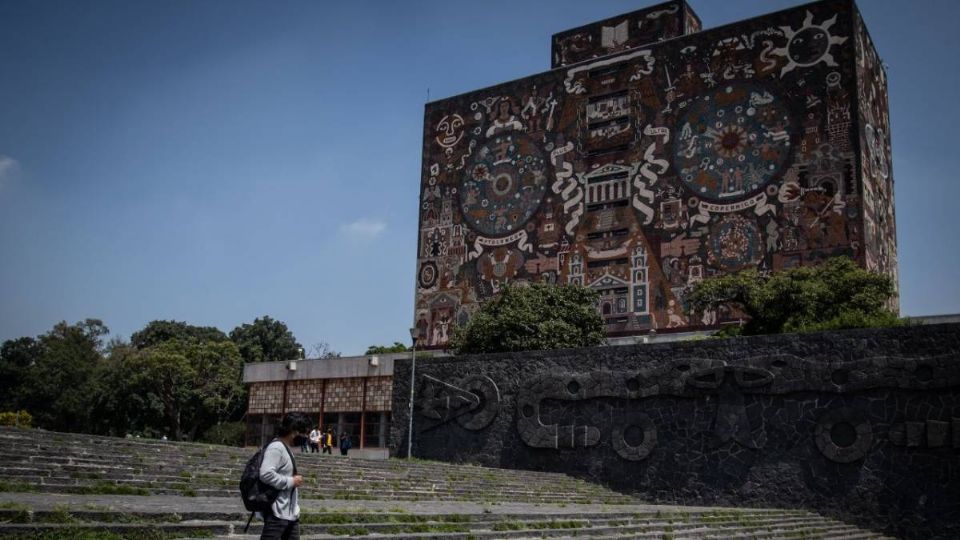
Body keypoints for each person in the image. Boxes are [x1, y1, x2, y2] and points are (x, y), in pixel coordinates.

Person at [259, 412, 310, 540]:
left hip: (290, 513)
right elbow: (265, 474)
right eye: (303, 432)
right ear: (294, 430)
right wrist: (291, 481)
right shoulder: (276, 448)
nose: (304, 436)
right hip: (277, 513)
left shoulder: (285, 448)